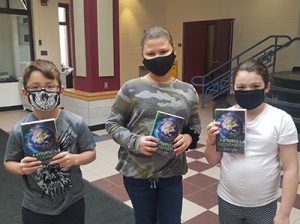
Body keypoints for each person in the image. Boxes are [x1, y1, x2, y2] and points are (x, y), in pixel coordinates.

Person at [105, 26, 201, 224]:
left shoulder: (188, 91)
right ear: (142, 54)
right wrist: (135, 142)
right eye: (151, 53)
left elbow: (195, 125)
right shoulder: (131, 88)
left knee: (171, 220)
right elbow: (113, 124)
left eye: (163, 52)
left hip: (172, 172)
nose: (158, 57)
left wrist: (189, 138)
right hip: (137, 174)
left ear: (173, 49)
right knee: (144, 220)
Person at [205, 59, 299, 224]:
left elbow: (291, 168)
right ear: (233, 88)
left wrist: (284, 213)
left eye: (255, 86)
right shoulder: (226, 117)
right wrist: (211, 141)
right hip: (227, 200)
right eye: (241, 87)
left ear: (267, 87)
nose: (248, 91)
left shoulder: (281, 119)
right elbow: (213, 160)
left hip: (264, 204)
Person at [4, 59, 96, 224]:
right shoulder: (19, 129)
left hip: (72, 202)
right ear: (25, 92)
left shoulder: (76, 122)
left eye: (49, 86)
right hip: (35, 207)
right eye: (35, 87)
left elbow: (91, 153)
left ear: (61, 90)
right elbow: (9, 162)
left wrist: (75, 159)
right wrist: (21, 168)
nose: (43, 92)